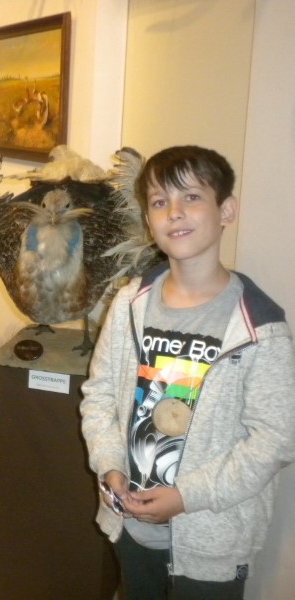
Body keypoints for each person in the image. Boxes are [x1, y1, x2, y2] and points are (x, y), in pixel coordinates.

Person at [80, 145, 295, 599]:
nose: (174, 212)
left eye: (191, 197)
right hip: (131, 527)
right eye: (160, 202)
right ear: (149, 219)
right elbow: (99, 395)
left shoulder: (260, 326)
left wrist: (186, 497)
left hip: (211, 540)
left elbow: (276, 439)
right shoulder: (129, 303)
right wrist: (109, 463)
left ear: (226, 210)